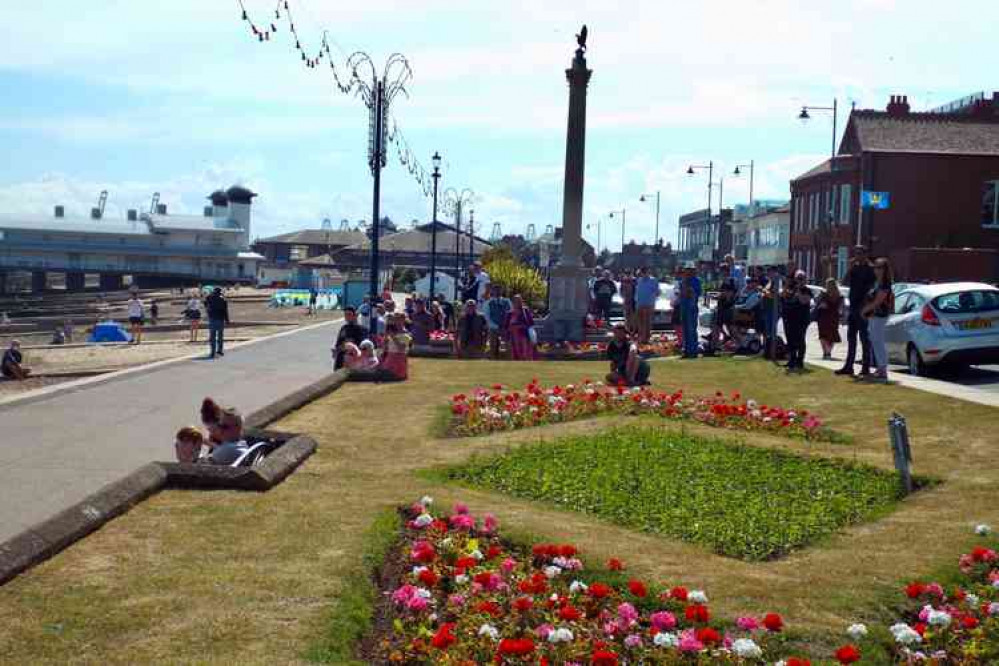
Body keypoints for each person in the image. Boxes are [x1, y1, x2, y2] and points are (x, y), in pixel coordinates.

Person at [836, 247, 876, 377]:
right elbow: (843, 282)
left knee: (864, 339)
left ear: (866, 254)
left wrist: (866, 306)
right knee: (851, 338)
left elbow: (872, 288)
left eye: (860, 253)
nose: (857, 256)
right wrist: (849, 267)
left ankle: (865, 367)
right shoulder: (854, 268)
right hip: (853, 307)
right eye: (856, 254)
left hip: (863, 308)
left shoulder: (871, 269)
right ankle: (849, 366)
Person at [862, 258, 893, 383]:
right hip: (874, 316)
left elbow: (878, 301)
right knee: (875, 341)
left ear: (885, 270)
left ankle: (883, 370)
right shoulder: (877, 283)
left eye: (879, 267)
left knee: (878, 341)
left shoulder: (885, 284)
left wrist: (864, 310)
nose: (876, 270)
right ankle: (880, 368)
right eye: (875, 267)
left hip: (880, 315)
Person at [781, 270, 813, 372]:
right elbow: (783, 295)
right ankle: (792, 360)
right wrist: (786, 285)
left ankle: (800, 361)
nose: (799, 281)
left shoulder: (807, 290)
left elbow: (804, 301)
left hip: (802, 318)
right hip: (789, 317)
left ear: (805, 279)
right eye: (797, 278)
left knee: (800, 340)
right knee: (790, 340)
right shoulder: (791, 288)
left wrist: (799, 290)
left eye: (801, 278)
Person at [816, 278, 844, 360]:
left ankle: (826, 352)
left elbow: (819, 304)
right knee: (831, 336)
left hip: (824, 317)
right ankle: (828, 352)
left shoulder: (824, 295)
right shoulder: (839, 296)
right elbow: (840, 309)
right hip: (833, 318)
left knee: (823, 335)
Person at [333, 306, 367, 370]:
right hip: (341, 359)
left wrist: (350, 346)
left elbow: (363, 346)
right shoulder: (344, 328)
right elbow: (338, 343)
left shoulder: (361, 329)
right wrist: (336, 349)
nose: (347, 317)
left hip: (354, 359)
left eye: (349, 314)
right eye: (345, 315)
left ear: (355, 316)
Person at [482, 284, 512, 359]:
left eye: (499, 289)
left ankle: (509, 361)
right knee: (493, 344)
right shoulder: (488, 302)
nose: (497, 291)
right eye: (495, 289)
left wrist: (505, 326)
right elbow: (487, 318)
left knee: (509, 345)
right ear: (492, 291)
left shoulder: (507, 301)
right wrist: (497, 327)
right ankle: (493, 359)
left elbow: (511, 314)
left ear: (502, 291)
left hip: (506, 328)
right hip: (494, 328)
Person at [678, 265, 701, 357]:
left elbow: (692, 293)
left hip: (691, 307)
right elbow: (681, 293)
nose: (685, 272)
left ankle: (693, 350)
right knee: (685, 329)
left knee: (691, 329)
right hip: (683, 305)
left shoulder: (695, 281)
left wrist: (686, 287)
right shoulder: (682, 281)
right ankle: (686, 350)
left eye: (688, 270)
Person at [381, 313, 412, 380]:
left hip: (400, 358)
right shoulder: (391, 331)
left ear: (403, 320)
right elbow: (384, 345)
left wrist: (393, 337)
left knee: (398, 377)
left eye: (398, 319)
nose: (396, 321)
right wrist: (385, 337)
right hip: (390, 357)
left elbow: (402, 348)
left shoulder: (406, 333)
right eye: (395, 319)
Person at [505, 294, 536, 361]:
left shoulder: (525, 311)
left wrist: (521, 326)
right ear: (513, 302)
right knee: (515, 352)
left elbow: (531, 323)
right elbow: (506, 326)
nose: (517, 302)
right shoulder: (509, 313)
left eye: (519, 300)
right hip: (513, 336)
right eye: (515, 301)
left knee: (524, 352)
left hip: (524, 335)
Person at [635, 267, 660, 344]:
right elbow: (637, 292)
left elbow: (657, 292)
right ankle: (641, 337)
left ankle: (646, 338)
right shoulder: (639, 280)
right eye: (642, 273)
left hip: (649, 304)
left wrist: (652, 298)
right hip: (639, 304)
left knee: (647, 321)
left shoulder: (653, 280)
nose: (643, 274)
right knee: (640, 321)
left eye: (645, 272)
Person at [204, 286, 230, 359]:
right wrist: (227, 320)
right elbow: (225, 311)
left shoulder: (209, 298)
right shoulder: (223, 300)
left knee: (212, 337)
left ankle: (212, 352)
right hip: (220, 319)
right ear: (220, 293)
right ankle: (220, 351)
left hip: (212, 319)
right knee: (220, 336)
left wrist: (208, 311)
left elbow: (205, 303)